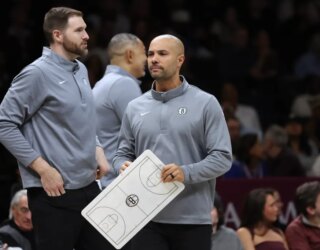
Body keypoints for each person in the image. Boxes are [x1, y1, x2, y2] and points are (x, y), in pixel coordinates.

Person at [0, 7, 114, 250]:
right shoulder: (35, 74)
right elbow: (4, 124)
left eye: (85, 29)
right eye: (79, 30)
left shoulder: (81, 69)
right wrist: (43, 170)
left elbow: (81, 119)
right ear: (58, 35)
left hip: (89, 186)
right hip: (54, 192)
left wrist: (97, 149)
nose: (87, 36)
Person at [113, 34, 232, 250]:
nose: (154, 59)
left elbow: (222, 158)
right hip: (144, 217)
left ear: (180, 60)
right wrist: (121, 165)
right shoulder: (135, 107)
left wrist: (185, 172)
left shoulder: (205, 103)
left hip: (192, 221)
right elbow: (121, 153)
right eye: (150, 54)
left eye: (162, 53)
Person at [93, 33, 146, 188]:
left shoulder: (103, 83)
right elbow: (144, 136)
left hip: (105, 181)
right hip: (118, 184)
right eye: (144, 53)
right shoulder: (124, 84)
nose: (147, 60)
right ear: (130, 55)